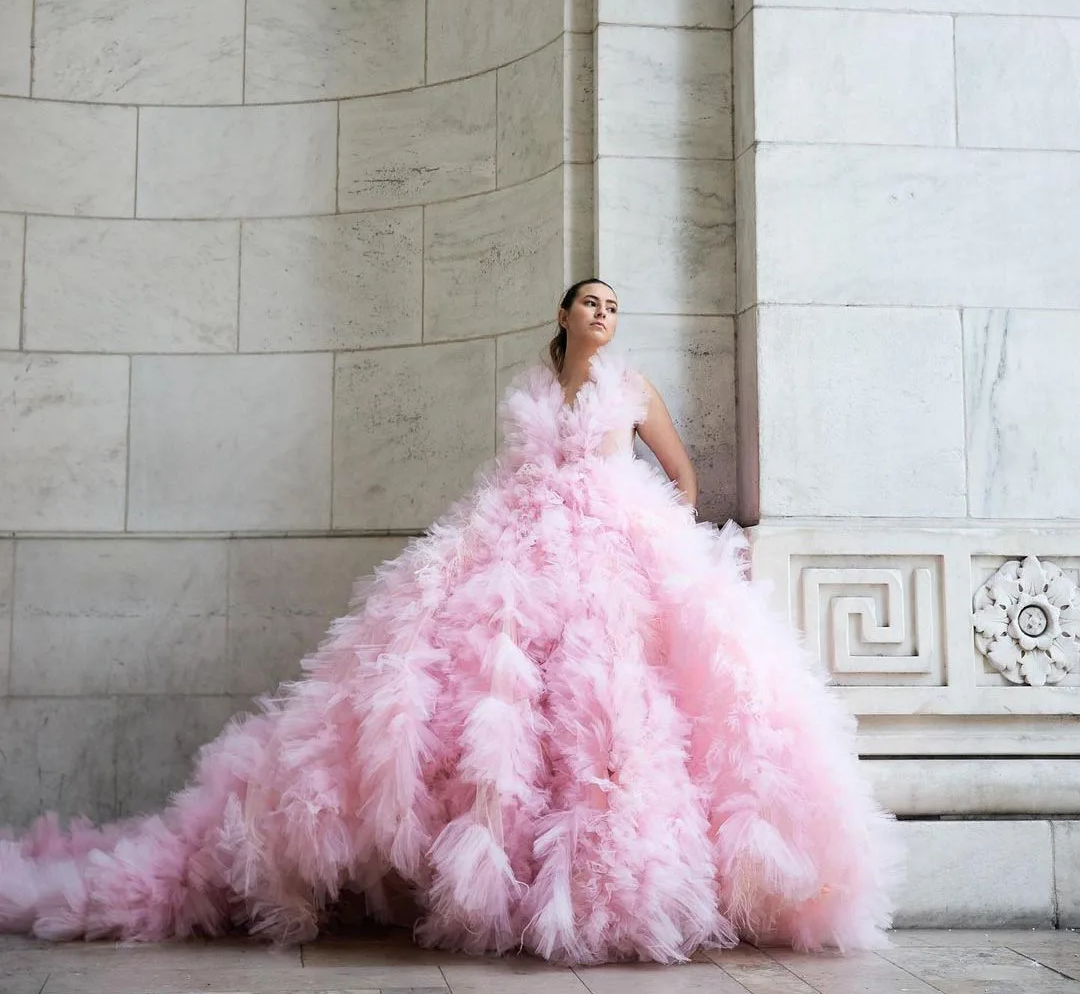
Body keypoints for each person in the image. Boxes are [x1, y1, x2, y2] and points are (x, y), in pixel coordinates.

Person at [0, 279, 899, 964]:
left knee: (609, 700)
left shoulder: (632, 388)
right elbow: (515, 469)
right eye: (591, 302)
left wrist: (662, 518)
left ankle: (601, 880)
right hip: (524, 540)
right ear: (564, 316)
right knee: (484, 691)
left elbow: (684, 473)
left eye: (614, 306)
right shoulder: (537, 382)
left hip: (612, 543)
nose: (604, 313)